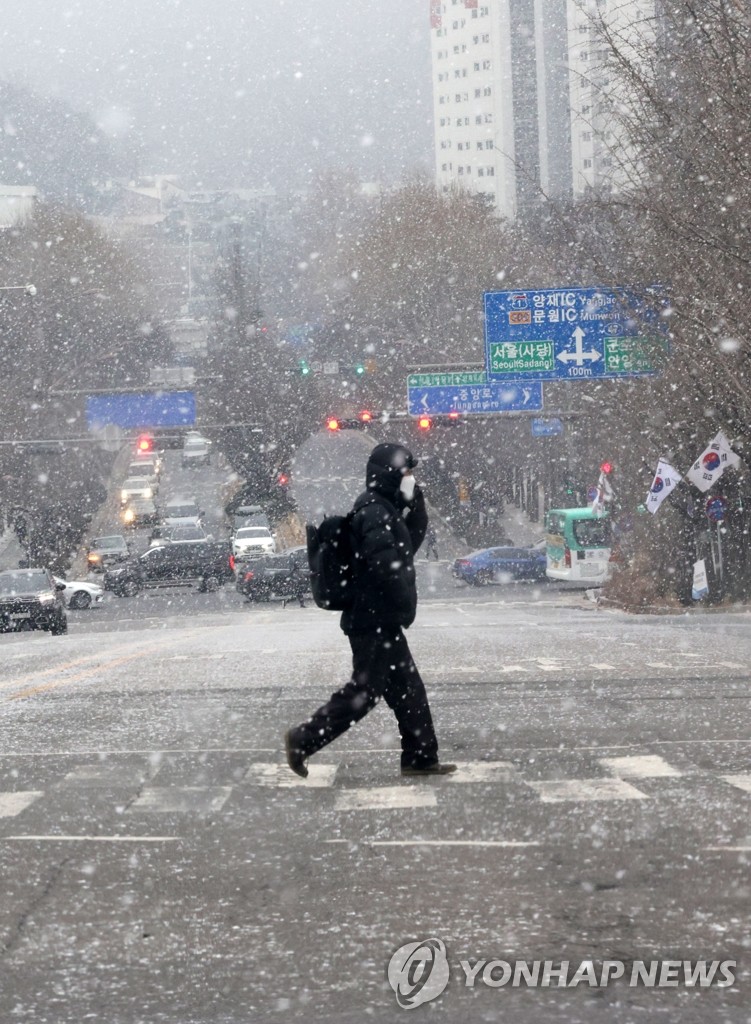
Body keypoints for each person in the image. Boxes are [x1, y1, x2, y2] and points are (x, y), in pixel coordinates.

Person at [284, 442, 456, 778]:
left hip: (381, 620)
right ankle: (302, 740)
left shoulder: (384, 509)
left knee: (409, 691)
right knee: (364, 691)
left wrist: (414, 502)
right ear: (390, 474)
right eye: (406, 473)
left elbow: (408, 544)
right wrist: (398, 597)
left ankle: (421, 758)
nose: (409, 478)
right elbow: (384, 563)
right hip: (373, 620)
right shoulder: (374, 511)